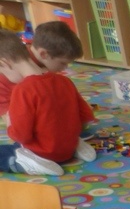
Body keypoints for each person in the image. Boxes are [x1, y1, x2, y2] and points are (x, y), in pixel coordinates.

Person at [0, 29, 95, 176]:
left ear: (4, 63)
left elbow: (21, 136)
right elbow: (85, 115)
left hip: (43, 153)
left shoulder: (22, 90)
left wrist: (11, 125)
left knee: (5, 152)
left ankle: (30, 164)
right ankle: (75, 145)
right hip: (68, 147)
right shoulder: (64, 80)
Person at [0, 20, 85, 117]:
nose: (65, 68)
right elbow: (8, 113)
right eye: (63, 63)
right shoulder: (13, 67)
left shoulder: (42, 66)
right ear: (44, 54)